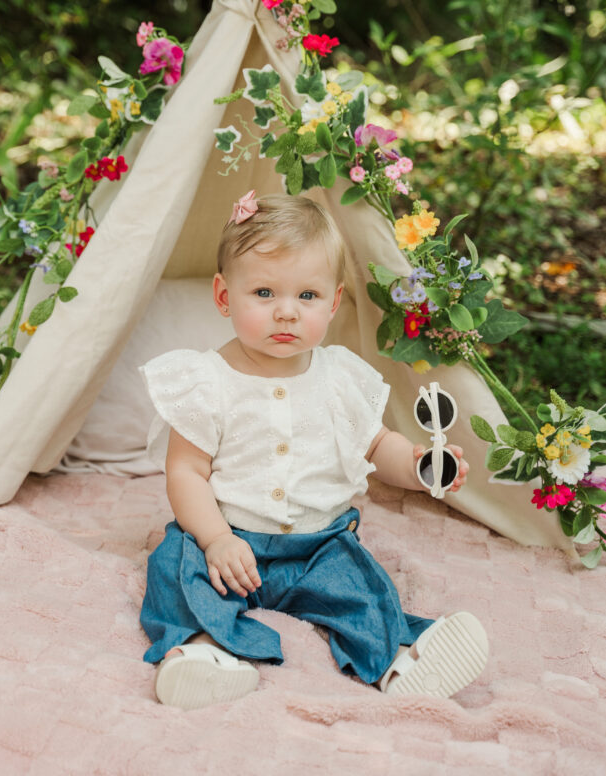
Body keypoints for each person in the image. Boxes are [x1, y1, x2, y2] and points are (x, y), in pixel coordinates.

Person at [139, 192, 489, 710]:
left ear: (333, 302)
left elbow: (378, 445)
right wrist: (213, 539)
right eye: (263, 292)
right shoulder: (205, 381)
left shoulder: (340, 377)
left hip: (319, 545)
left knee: (362, 585)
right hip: (232, 543)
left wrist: (419, 466)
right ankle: (202, 651)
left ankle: (395, 661)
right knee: (174, 565)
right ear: (223, 296)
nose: (286, 312)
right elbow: (186, 472)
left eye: (307, 296)